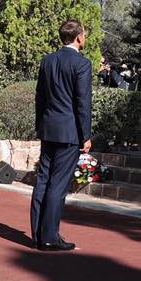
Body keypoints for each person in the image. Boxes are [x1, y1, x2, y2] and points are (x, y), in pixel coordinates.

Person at [31, 20, 93, 252]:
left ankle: (37, 234)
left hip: (48, 129)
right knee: (58, 185)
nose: (85, 38)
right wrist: (85, 135)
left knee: (43, 181)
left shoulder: (48, 60)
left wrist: (40, 125)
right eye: (84, 34)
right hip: (69, 132)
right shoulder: (82, 64)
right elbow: (83, 102)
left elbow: (40, 97)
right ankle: (49, 237)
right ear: (78, 37)